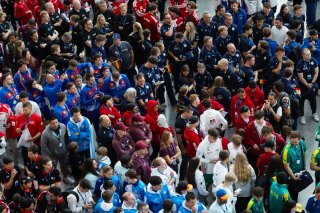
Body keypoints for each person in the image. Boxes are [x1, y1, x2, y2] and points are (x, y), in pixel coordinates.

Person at [40, 116, 72, 184]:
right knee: (52, 168)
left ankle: (65, 177)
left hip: (63, 152)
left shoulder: (63, 126)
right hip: (52, 154)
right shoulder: (45, 133)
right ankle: (52, 181)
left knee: (64, 165)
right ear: (49, 123)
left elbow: (66, 137)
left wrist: (66, 147)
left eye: (56, 122)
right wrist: (49, 155)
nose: (55, 124)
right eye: (53, 123)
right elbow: (43, 146)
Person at [282, 131, 307, 201]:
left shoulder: (302, 143)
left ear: (299, 139)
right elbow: (286, 166)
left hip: (300, 170)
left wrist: (304, 167)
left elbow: (304, 153)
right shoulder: (287, 150)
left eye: (296, 142)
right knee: (292, 193)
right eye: (292, 142)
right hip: (292, 174)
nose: (294, 144)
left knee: (297, 190)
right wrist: (294, 177)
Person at [296, 48, 319, 124]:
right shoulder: (300, 63)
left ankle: (314, 113)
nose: (309, 55)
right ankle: (302, 116)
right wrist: (306, 84)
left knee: (313, 99)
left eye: (309, 54)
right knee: (301, 100)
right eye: (307, 54)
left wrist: (312, 83)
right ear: (303, 55)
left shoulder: (313, 60)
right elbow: (300, 77)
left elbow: (316, 72)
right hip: (302, 85)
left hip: (312, 83)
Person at [175, 106, 194, 181]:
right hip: (183, 144)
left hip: (188, 143)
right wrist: (182, 148)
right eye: (191, 114)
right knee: (185, 161)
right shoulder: (179, 122)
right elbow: (178, 137)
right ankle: (181, 178)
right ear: (186, 113)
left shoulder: (186, 119)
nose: (192, 116)